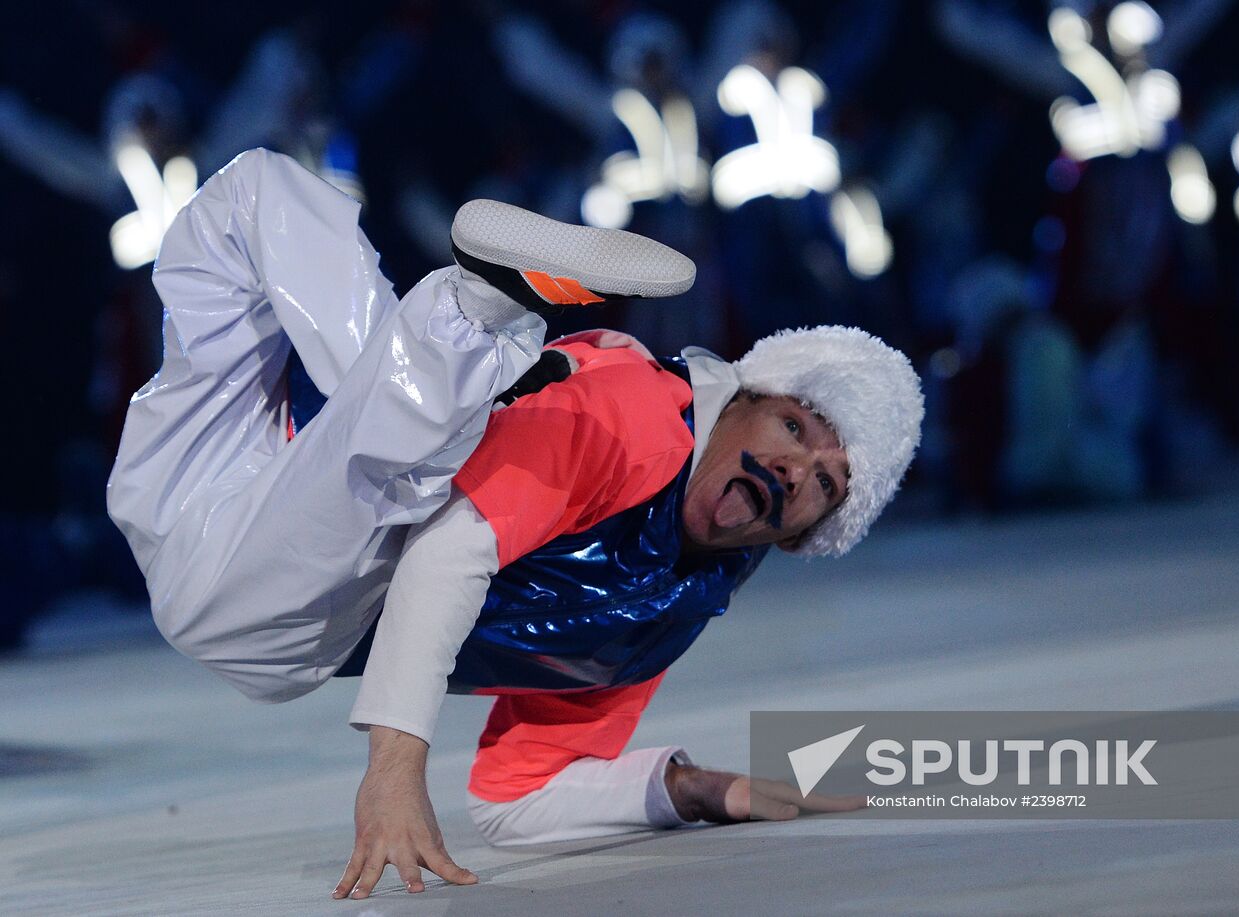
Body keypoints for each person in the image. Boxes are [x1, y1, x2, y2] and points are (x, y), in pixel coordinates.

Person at [106, 149, 923, 900]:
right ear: (740, 398)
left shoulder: (674, 605)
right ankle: (480, 306)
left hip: (248, 526)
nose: (795, 471)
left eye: (826, 482)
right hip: (274, 568)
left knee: (261, 203)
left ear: (804, 534)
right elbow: (450, 551)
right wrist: (395, 766)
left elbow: (521, 795)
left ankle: (476, 314)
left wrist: (700, 791)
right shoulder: (642, 418)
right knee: (252, 197)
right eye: (794, 430)